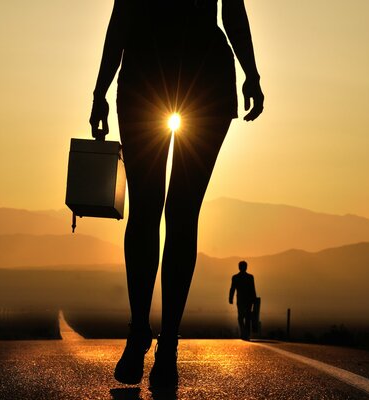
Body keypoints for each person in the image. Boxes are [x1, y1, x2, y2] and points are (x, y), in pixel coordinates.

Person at [89, 0, 264, 389]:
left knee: (153, 212)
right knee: (175, 214)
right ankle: (161, 343)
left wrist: (100, 90)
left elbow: (122, 18)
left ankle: (150, 339)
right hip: (194, 76)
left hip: (151, 75)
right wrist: (250, 73)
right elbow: (231, 10)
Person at [229, 260, 257, 340]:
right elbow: (253, 289)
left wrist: (230, 298)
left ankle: (244, 332)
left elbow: (232, 289)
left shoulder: (236, 277)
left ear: (239, 267)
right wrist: (254, 299)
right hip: (248, 300)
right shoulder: (250, 277)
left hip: (241, 300)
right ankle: (246, 333)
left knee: (241, 317)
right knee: (246, 316)